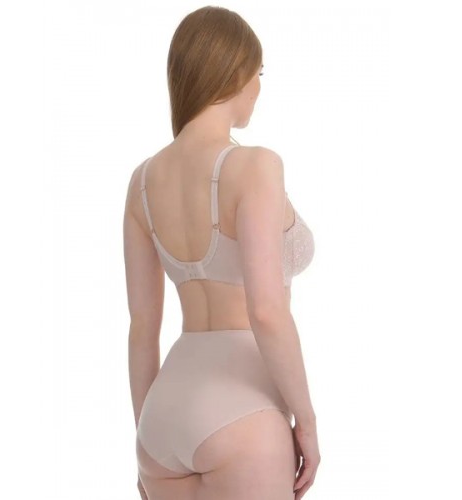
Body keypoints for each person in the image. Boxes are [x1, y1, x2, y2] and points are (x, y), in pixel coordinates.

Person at [123, 6, 320, 499]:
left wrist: (145, 436)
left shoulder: (142, 182)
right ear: (235, 74)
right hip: (242, 412)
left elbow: (142, 328)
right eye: (259, 74)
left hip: (161, 416)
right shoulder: (255, 166)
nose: (258, 87)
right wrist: (307, 423)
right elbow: (266, 311)